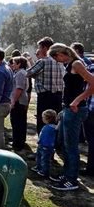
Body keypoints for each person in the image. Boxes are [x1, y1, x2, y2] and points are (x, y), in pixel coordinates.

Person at [48, 43, 94, 191]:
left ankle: (71, 180)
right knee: (67, 145)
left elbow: (92, 83)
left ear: (61, 54)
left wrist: (78, 100)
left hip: (75, 109)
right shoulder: (70, 64)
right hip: (69, 108)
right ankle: (68, 174)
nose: (57, 61)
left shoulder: (77, 63)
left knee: (71, 146)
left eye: (56, 58)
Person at [26, 37, 64, 134]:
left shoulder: (43, 61)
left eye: (39, 47)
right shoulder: (60, 62)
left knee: (43, 119)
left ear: (45, 48)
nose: (38, 50)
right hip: (58, 95)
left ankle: (43, 142)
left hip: (45, 96)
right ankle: (55, 142)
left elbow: (28, 73)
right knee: (55, 119)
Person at [9, 56, 29, 151]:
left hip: (19, 101)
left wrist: (13, 101)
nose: (12, 64)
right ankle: (18, 141)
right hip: (21, 100)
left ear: (19, 64)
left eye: (14, 63)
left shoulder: (20, 73)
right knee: (19, 121)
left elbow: (19, 88)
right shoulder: (21, 72)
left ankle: (18, 143)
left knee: (17, 122)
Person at [31, 109, 57, 177]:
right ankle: (38, 167)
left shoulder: (51, 128)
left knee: (45, 159)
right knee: (39, 157)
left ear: (47, 119)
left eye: (43, 117)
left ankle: (44, 171)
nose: (42, 119)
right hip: (41, 145)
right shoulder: (47, 126)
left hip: (46, 146)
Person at [81, 62, 94, 177]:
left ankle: (91, 169)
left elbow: (90, 86)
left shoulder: (92, 67)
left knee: (91, 140)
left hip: (92, 110)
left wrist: (77, 100)